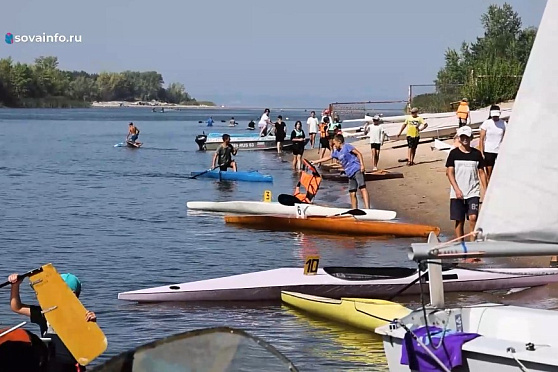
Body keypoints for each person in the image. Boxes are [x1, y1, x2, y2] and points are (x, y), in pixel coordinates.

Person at [8, 272, 97, 372]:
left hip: (72, 366)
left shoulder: (84, 317)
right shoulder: (46, 312)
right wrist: (15, 285)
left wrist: (92, 324)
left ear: (74, 294)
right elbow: (17, 307)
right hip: (49, 365)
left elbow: (92, 345)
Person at [446, 125, 488, 243]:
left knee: (473, 218)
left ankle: (472, 243)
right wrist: (457, 189)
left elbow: (481, 172)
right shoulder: (453, 154)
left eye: (467, 137)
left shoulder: (476, 154)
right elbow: (449, 173)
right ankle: (461, 244)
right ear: (459, 138)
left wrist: (486, 190)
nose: (465, 139)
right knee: (459, 220)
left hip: (473, 192)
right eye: (463, 137)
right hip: (457, 193)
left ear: (471, 138)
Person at [313, 134, 370, 209]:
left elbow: (359, 154)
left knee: (362, 188)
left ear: (339, 142)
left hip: (356, 169)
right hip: (349, 173)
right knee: (352, 192)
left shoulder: (347, 146)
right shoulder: (337, 152)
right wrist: (316, 161)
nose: (334, 145)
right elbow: (328, 157)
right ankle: (355, 210)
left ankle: (367, 209)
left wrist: (362, 165)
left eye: (334, 143)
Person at [479, 108, 506, 183]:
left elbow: (505, 137)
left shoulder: (503, 124)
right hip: (488, 150)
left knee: (498, 171)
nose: (495, 117)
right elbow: (481, 138)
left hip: (499, 151)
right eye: (494, 116)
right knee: (489, 173)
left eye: (496, 116)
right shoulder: (487, 123)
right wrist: (481, 152)